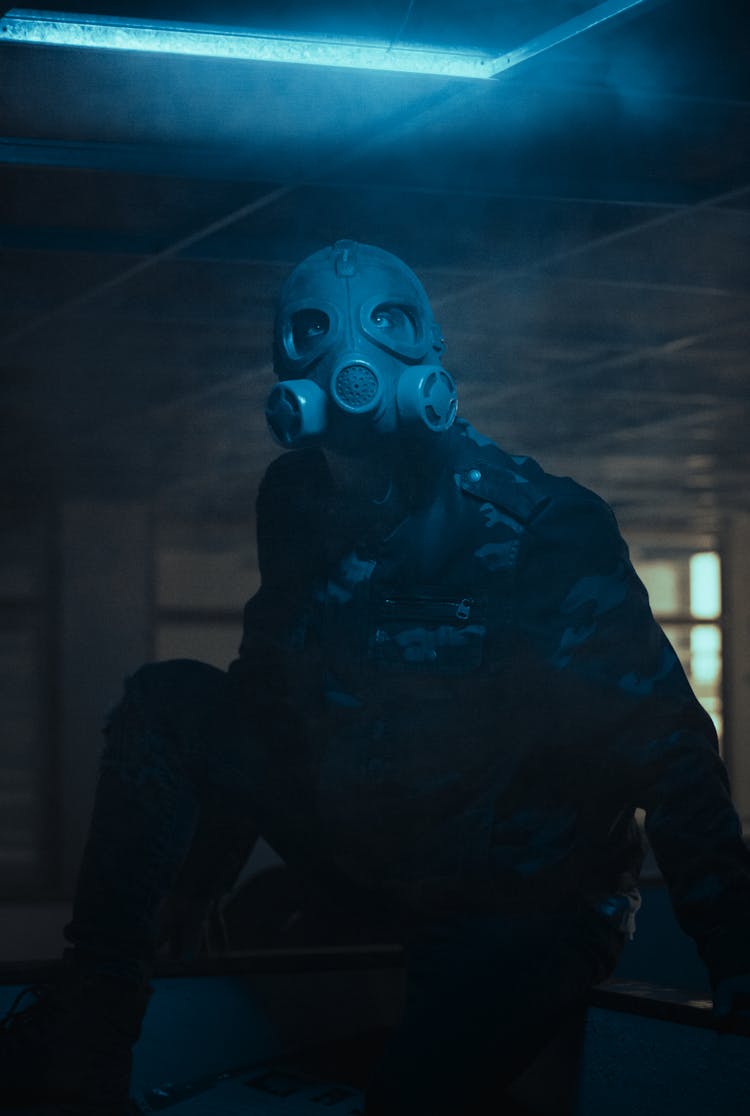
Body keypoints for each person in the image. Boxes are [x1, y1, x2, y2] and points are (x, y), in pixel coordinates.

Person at [2, 239, 750, 1115]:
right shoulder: (296, 499)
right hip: (379, 854)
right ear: (287, 373)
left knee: (410, 1100)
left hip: (526, 897)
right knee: (167, 700)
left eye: (388, 326)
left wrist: (736, 957)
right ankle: (88, 1044)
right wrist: (198, 881)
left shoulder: (543, 526)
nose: (351, 360)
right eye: (313, 332)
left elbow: (665, 744)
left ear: (430, 355)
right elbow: (268, 696)